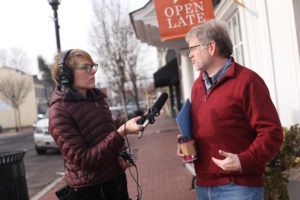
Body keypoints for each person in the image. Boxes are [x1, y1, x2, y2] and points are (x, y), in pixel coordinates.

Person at [177, 20, 283, 200]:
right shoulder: (197, 86)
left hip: (238, 187)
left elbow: (272, 133)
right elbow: (205, 130)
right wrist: (186, 144)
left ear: (211, 47)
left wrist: (243, 161)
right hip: (204, 185)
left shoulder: (248, 81)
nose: (190, 55)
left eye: (193, 48)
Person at [49, 49, 142, 200]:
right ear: (66, 75)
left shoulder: (97, 99)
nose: (93, 71)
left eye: (93, 66)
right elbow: (85, 160)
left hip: (115, 184)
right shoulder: (59, 112)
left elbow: (107, 136)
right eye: (86, 67)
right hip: (90, 192)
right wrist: (121, 133)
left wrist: (120, 154)